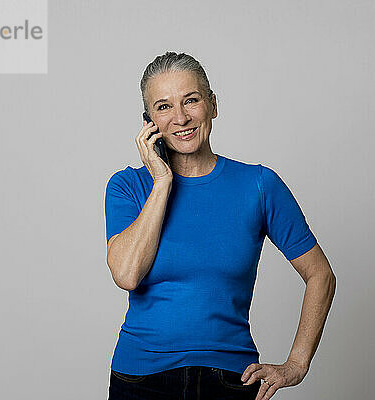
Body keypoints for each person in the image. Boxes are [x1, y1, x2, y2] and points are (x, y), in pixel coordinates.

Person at [104, 51, 336, 400]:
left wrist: (296, 364)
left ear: (212, 104)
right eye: (163, 107)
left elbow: (320, 275)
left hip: (228, 379)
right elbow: (126, 275)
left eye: (191, 100)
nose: (180, 118)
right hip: (140, 379)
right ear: (148, 121)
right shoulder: (127, 187)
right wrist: (162, 182)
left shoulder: (258, 185)